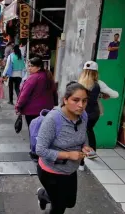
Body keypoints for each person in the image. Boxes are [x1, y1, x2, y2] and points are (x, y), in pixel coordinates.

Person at [36, 82, 95, 214]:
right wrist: (68, 155)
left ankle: (44, 195)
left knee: (70, 202)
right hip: (51, 171)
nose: (81, 105)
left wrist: (85, 145)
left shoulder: (82, 115)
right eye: (76, 100)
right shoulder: (53, 119)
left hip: (70, 170)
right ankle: (46, 195)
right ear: (65, 100)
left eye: (84, 101)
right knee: (58, 208)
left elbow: (83, 132)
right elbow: (40, 150)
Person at [77, 61, 118, 170]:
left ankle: (81, 162)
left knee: (80, 134)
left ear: (84, 71)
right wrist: (104, 94)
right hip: (94, 113)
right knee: (88, 130)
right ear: (96, 73)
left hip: (80, 112)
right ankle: (91, 152)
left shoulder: (78, 83)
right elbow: (115, 94)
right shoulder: (99, 84)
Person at [16, 57, 58, 161]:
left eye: (31, 66)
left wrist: (18, 106)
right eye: (28, 66)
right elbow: (54, 92)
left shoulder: (33, 78)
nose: (29, 68)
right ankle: (44, 150)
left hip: (32, 111)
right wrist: (55, 104)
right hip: (46, 110)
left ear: (38, 67)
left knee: (34, 131)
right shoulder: (48, 76)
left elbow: (24, 95)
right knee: (44, 131)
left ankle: (35, 152)